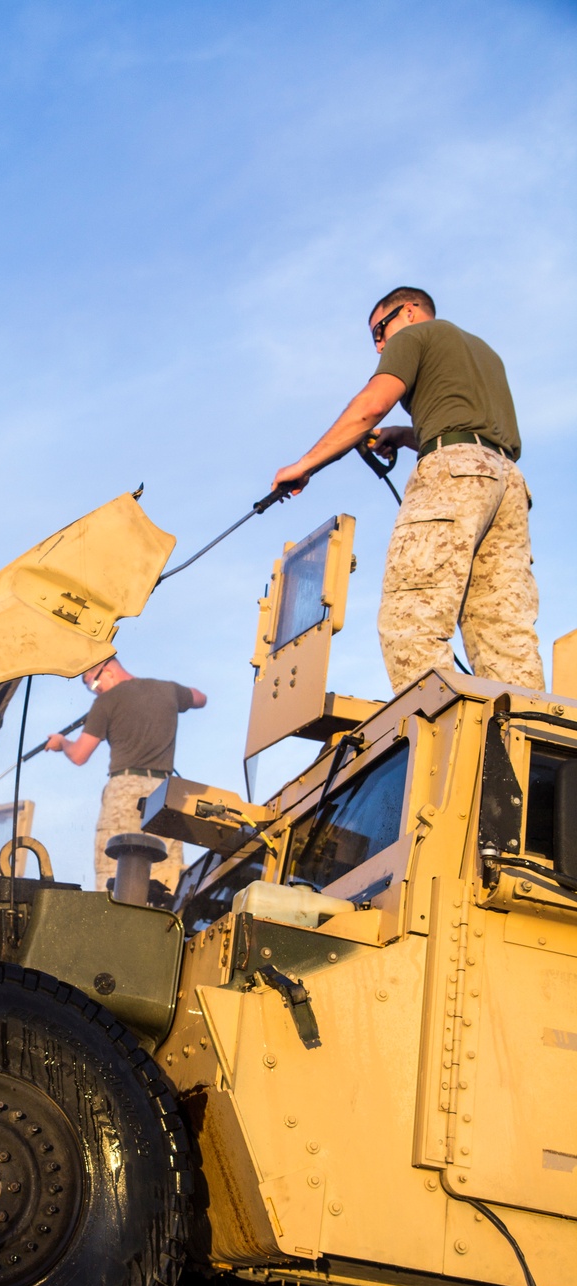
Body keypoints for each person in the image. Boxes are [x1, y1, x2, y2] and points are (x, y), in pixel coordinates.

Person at [273, 286, 544, 694]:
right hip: (507, 484)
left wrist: (306, 465)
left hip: (454, 474)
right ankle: (527, 747)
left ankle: (445, 741)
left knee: (411, 619)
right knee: (504, 637)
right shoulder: (484, 354)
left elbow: (370, 407)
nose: (381, 342)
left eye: (381, 329)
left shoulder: (413, 337)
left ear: (412, 311)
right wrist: (404, 435)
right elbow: (467, 428)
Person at [46, 659, 207, 894]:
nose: (95, 690)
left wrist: (62, 743)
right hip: (166, 794)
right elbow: (200, 698)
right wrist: (176, 698)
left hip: (125, 792)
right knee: (166, 880)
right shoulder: (168, 689)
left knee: (115, 876)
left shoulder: (105, 701)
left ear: (108, 670)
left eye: (92, 684)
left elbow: (80, 755)